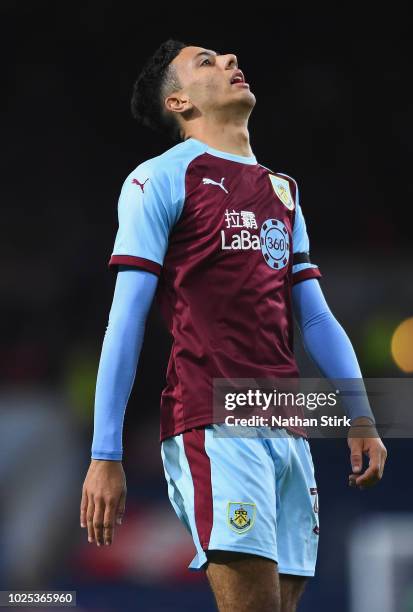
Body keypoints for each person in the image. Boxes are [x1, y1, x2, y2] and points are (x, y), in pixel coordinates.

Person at [80, 39, 387, 612]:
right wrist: (106, 453)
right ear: (178, 102)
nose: (227, 61)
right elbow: (126, 317)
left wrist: (360, 413)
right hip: (214, 421)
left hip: (287, 427)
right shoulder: (159, 180)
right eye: (206, 62)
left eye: (224, 56)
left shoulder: (283, 191)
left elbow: (315, 316)